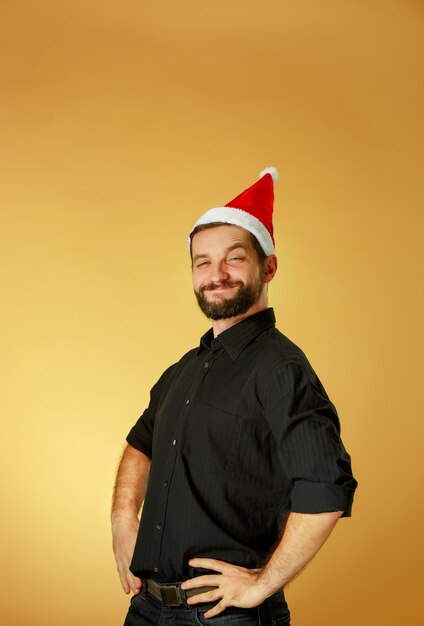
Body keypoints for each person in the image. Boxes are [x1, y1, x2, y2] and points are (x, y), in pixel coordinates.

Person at [111, 167, 357, 626]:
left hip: (224, 617)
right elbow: (141, 442)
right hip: (146, 610)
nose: (216, 274)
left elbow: (326, 489)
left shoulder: (281, 369)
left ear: (268, 267)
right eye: (202, 261)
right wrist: (124, 516)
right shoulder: (185, 368)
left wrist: (263, 583)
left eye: (233, 258)